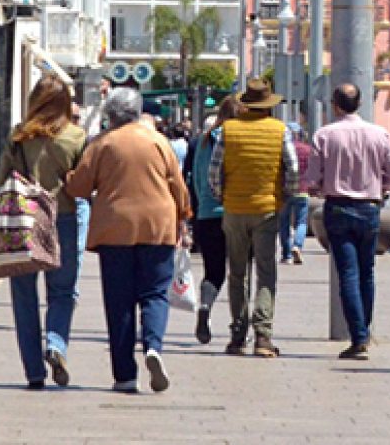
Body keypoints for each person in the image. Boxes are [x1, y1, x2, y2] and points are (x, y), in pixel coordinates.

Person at [64, 88, 190, 394]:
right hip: (157, 226)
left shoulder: (103, 143)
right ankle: (153, 347)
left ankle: (125, 375)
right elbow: (178, 187)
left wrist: (67, 177)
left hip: (115, 228)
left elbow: (79, 187)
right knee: (155, 293)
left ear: (112, 115)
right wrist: (184, 215)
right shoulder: (159, 141)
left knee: (119, 301)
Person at [304, 83, 390, 361]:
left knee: (347, 273)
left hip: (337, 208)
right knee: (366, 272)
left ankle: (358, 335)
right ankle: (363, 330)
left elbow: (312, 179)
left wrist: (321, 185)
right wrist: (377, 185)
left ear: (335, 105)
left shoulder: (324, 135)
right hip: (370, 209)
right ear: (359, 104)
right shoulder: (378, 134)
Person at [4, 74, 87, 389]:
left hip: (26, 218)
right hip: (62, 217)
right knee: (62, 291)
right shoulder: (76, 137)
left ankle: (34, 371)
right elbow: (83, 186)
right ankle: (55, 343)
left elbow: (3, 178)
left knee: (24, 296)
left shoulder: (18, 137)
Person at [207, 78, 298, 358]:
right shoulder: (280, 131)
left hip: (234, 210)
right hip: (267, 210)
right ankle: (263, 336)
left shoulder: (228, 131)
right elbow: (292, 170)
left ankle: (237, 335)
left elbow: (214, 172)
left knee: (237, 273)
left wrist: (222, 196)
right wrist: (284, 198)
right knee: (266, 273)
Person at [187, 98, 235, 346]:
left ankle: (204, 307)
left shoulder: (200, 141)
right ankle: (240, 325)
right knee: (240, 272)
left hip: (206, 214)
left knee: (212, 271)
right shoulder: (237, 139)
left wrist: (197, 210)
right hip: (234, 211)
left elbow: (193, 178)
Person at [280, 125, 313, 266]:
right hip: (302, 190)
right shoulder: (307, 149)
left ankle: (286, 254)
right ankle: (297, 246)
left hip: (284, 190)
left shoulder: (282, 149)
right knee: (301, 222)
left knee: (283, 223)